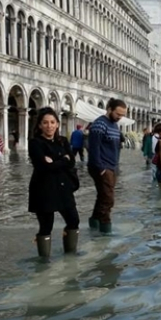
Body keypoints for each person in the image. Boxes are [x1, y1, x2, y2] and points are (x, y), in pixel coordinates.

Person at [28, 107, 79, 258]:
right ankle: (44, 261)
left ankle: (70, 255)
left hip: (63, 188)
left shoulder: (63, 141)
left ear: (57, 124)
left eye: (52, 122)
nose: (49, 125)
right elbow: (43, 167)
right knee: (46, 226)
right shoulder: (35, 143)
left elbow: (72, 162)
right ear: (39, 125)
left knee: (73, 220)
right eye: (45, 122)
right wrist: (63, 159)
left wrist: (55, 162)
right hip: (43, 189)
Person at [87, 98, 126, 234]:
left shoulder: (114, 125)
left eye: (122, 115)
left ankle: (94, 222)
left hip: (112, 166)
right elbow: (93, 148)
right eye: (118, 114)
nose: (119, 118)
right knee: (108, 199)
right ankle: (105, 229)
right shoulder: (99, 125)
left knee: (103, 196)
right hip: (103, 167)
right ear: (109, 109)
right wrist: (100, 168)